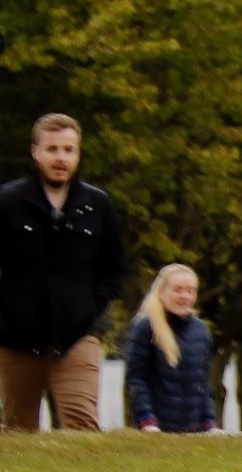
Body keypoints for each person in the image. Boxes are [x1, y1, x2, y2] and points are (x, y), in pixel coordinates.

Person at [0, 114, 127, 432]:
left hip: (77, 337)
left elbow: (114, 268)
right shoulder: (8, 202)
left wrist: (90, 307)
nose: (61, 157)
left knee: (83, 427)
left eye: (69, 150)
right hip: (16, 342)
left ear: (78, 154)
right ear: (35, 152)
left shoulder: (97, 205)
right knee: (17, 432)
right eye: (53, 149)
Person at [123, 263, 219, 434]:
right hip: (156, 429)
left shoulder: (201, 331)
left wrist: (209, 423)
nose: (184, 296)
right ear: (161, 292)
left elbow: (202, 383)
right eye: (178, 290)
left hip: (193, 430)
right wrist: (147, 420)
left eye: (190, 291)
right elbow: (136, 379)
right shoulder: (145, 327)